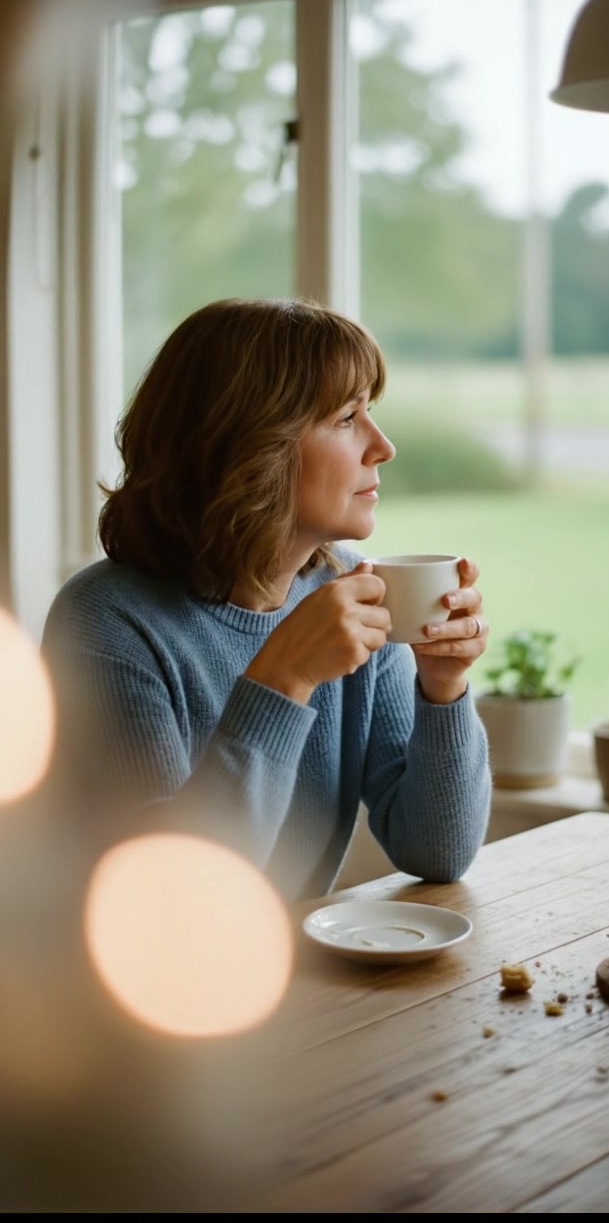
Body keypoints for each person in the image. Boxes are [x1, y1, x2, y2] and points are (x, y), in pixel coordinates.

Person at [41, 297, 492, 901]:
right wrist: (285, 678)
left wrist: (443, 689)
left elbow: (437, 853)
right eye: (345, 417)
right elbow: (173, 906)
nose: (382, 446)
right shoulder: (105, 621)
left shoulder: (352, 594)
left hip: (296, 982)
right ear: (251, 444)